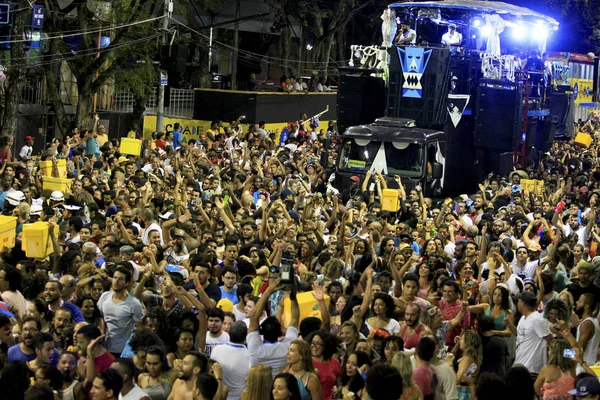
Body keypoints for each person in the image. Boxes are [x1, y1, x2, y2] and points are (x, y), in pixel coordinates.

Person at [248, 277, 299, 378]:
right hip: (281, 387)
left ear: (261, 332)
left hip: (259, 389)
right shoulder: (288, 347)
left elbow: (254, 317)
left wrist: (268, 291)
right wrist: (293, 294)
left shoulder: (255, 348)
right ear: (280, 332)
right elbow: (295, 319)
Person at [98, 267, 144, 357]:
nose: (116, 281)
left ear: (127, 283)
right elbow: (99, 317)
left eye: (120, 279)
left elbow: (139, 328)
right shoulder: (104, 296)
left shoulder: (134, 303)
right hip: (104, 348)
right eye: (115, 278)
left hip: (123, 350)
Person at [514, 291, 552, 374]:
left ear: (523, 303)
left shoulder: (537, 319)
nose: (517, 304)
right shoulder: (523, 318)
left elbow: (550, 340)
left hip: (531, 368)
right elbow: (520, 335)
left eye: (519, 301)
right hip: (520, 364)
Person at [210, 321, 249, 400]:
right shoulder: (250, 356)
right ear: (246, 337)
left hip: (218, 395)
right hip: (240, 397)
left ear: (229, 333)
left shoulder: (216, 349)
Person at [574, 293, 600, 372]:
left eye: (580, 301)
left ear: (586, 306)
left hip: (584, 369)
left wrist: (562, 352)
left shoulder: (587, 324)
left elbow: (579, 350)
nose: (576, 303)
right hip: (588, 367)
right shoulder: (592, 321)